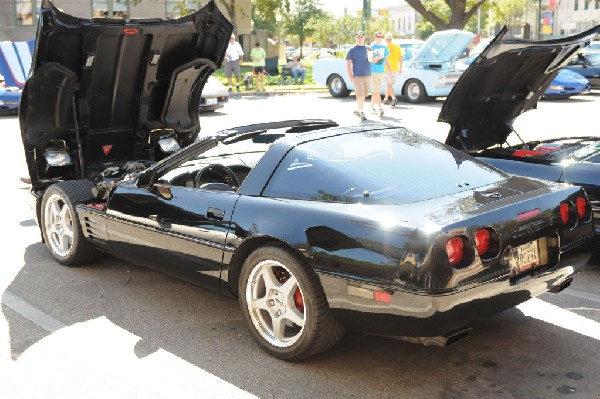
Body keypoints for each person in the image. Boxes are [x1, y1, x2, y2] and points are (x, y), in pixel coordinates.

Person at [346, 31, 371, 121]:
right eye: (358, 37)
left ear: (364, 38)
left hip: (368, 75)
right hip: (357, 76)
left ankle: (358, 109)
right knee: (360, 95)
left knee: (364, 95)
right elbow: (349, 64)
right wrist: (351, 76)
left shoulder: (368, 48)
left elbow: (374, 60)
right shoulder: (352, 50)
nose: (360, 38)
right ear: (356, 38)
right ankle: (362, 111)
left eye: (361, 37)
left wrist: (377, 58)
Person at [369, 31, 390, 116]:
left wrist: (390, 71)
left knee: (376, 91)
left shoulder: (384, 47)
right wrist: (377, 58)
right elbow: (370, 59)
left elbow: (387, 60)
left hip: (381, 72)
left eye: (381, 36)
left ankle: (371, 107)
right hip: (373, 71)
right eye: (378, 36)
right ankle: (380, 107)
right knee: (376, 91)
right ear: (375, 36)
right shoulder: (371, 47)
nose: (380, 38)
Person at [383, 32, 402, 107]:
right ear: (385, 39)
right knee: (389, 84)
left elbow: (400, 58)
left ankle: (385, 99)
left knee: (389, 85)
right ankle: (394, 99)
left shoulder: (396, 47)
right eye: (387, 38)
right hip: (386, 69)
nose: (389, 39)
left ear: (392, 38)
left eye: (390, 38)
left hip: (394, 69)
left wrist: (400, 68)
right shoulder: (384, 47)